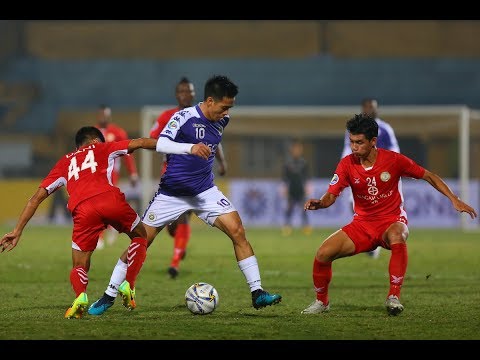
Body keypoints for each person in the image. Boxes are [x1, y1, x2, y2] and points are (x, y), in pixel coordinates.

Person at [88, 74, 282, 316]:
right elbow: (161, 143)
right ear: (210, 101)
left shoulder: (222, 120)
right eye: (224, 107)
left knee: (237, 230)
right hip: (172, 193)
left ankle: (258, 292)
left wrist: (220, 160)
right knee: (140, 241)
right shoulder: (183, 118)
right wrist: (190, 148)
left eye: (230, 108)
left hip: (205, 191)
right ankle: (108, 295)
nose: (227, 113)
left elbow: (214, 141)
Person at [301, 114, 477, 316]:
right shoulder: (347, 164)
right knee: (323, 254)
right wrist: (321, 203)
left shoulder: (393, 160)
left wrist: (454, 199)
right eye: (351, 141)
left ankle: (393, 296)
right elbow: (331, 195)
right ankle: (322, 302)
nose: (354, 147)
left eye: (359, 142)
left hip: (391, 220)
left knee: (398, 234)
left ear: (373, 141)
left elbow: (428, 175)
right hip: (362, 224)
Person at [0, 126, 173, 319]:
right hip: (109, 200)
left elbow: (35, 199)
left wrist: (17, 230)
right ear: (94, 142)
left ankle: (80, 296)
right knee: (140, 236)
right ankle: (129, 284)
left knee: (79, 264)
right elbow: (141, 142)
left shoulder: (64, 162)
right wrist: (173, 146)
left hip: (83, 210)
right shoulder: (102, 148)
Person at [149, 77, 228, 279]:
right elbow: (154, 140)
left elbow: (214, 140)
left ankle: (174, 264)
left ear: (194, 94)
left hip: (197, 178)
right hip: (173, 175)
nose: (186, 94)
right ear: (177, 95)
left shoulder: (205, 115)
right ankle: (179, 242)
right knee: (173, 227)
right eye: (182, 91)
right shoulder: (168, 116)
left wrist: (222, 162)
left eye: (189, 91)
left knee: (185, 216)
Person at [341, 98, 400, 259]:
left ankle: (377, 240)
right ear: (362, 109)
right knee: (353, 204)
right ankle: (370, 239)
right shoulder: (354, 130)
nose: (369, 110)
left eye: (372, 107)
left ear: (376, 109)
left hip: (381, 176)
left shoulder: (385, 129)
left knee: (379, 208)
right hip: (359, 174)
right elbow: (347, 151)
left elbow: (395, 151)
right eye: (366, 107)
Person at [95, 104, 139, 249]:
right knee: (99, 204)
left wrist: (133, 173)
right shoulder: (92, 132)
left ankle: (106, 232)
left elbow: (127, 154)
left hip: (111, 174)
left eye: (105, 115)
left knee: (104, 204)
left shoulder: (117, 132)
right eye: (101, 114)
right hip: (95, 174)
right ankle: (105, 231)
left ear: (109, 116)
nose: (103, 117)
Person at [280, 138, 312, 236]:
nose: (297, 151)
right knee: (289, 209)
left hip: (301, 190)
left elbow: (307, 177)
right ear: (292, 150)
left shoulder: (304, 163)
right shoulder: (287, 163)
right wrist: (284, 188)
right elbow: (285, 178)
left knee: (304, 209)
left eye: (299, 149)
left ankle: (306, 228)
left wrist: (308, 187)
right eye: (295, 149)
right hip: (291, 190)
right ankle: (287, 228)